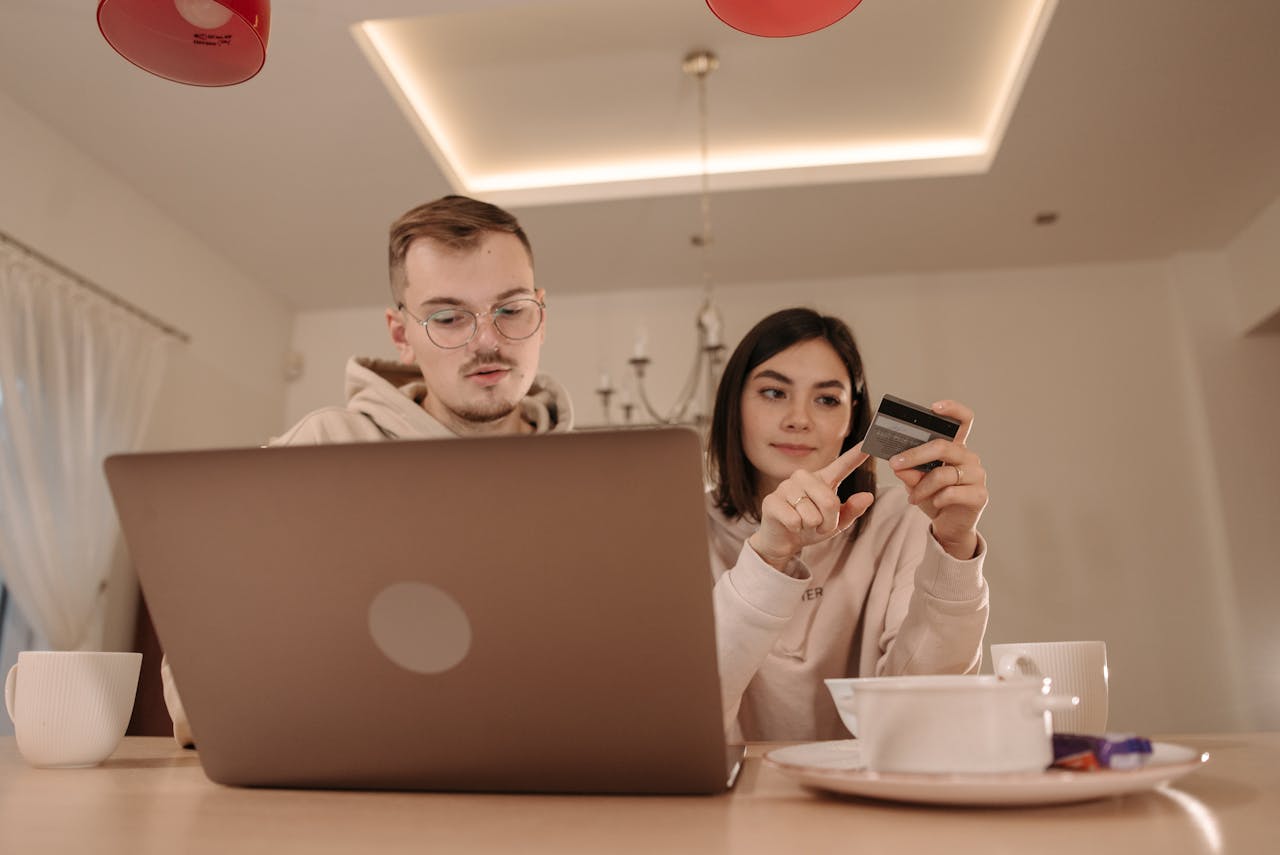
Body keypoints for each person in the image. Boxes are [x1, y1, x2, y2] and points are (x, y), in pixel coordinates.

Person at [161, 195, 574, 746]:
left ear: (541, 316)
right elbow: (191, 705)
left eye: (511, 309)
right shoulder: (323, 452)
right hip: (357, 804)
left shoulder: (601, 490)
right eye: (448, 317)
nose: (487, 341)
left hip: (550, 794)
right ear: (401, 335)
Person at [705, 307, 989, 742]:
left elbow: (924, 715)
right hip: (723, 802)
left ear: (853, 418)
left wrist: (953, 547)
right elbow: (683, 715)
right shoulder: (684, 529)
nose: (798, 419)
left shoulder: (902, 521)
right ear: (733, 404)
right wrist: (769, 555)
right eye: (773, 392)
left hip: (870, 798)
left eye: (826, 399)